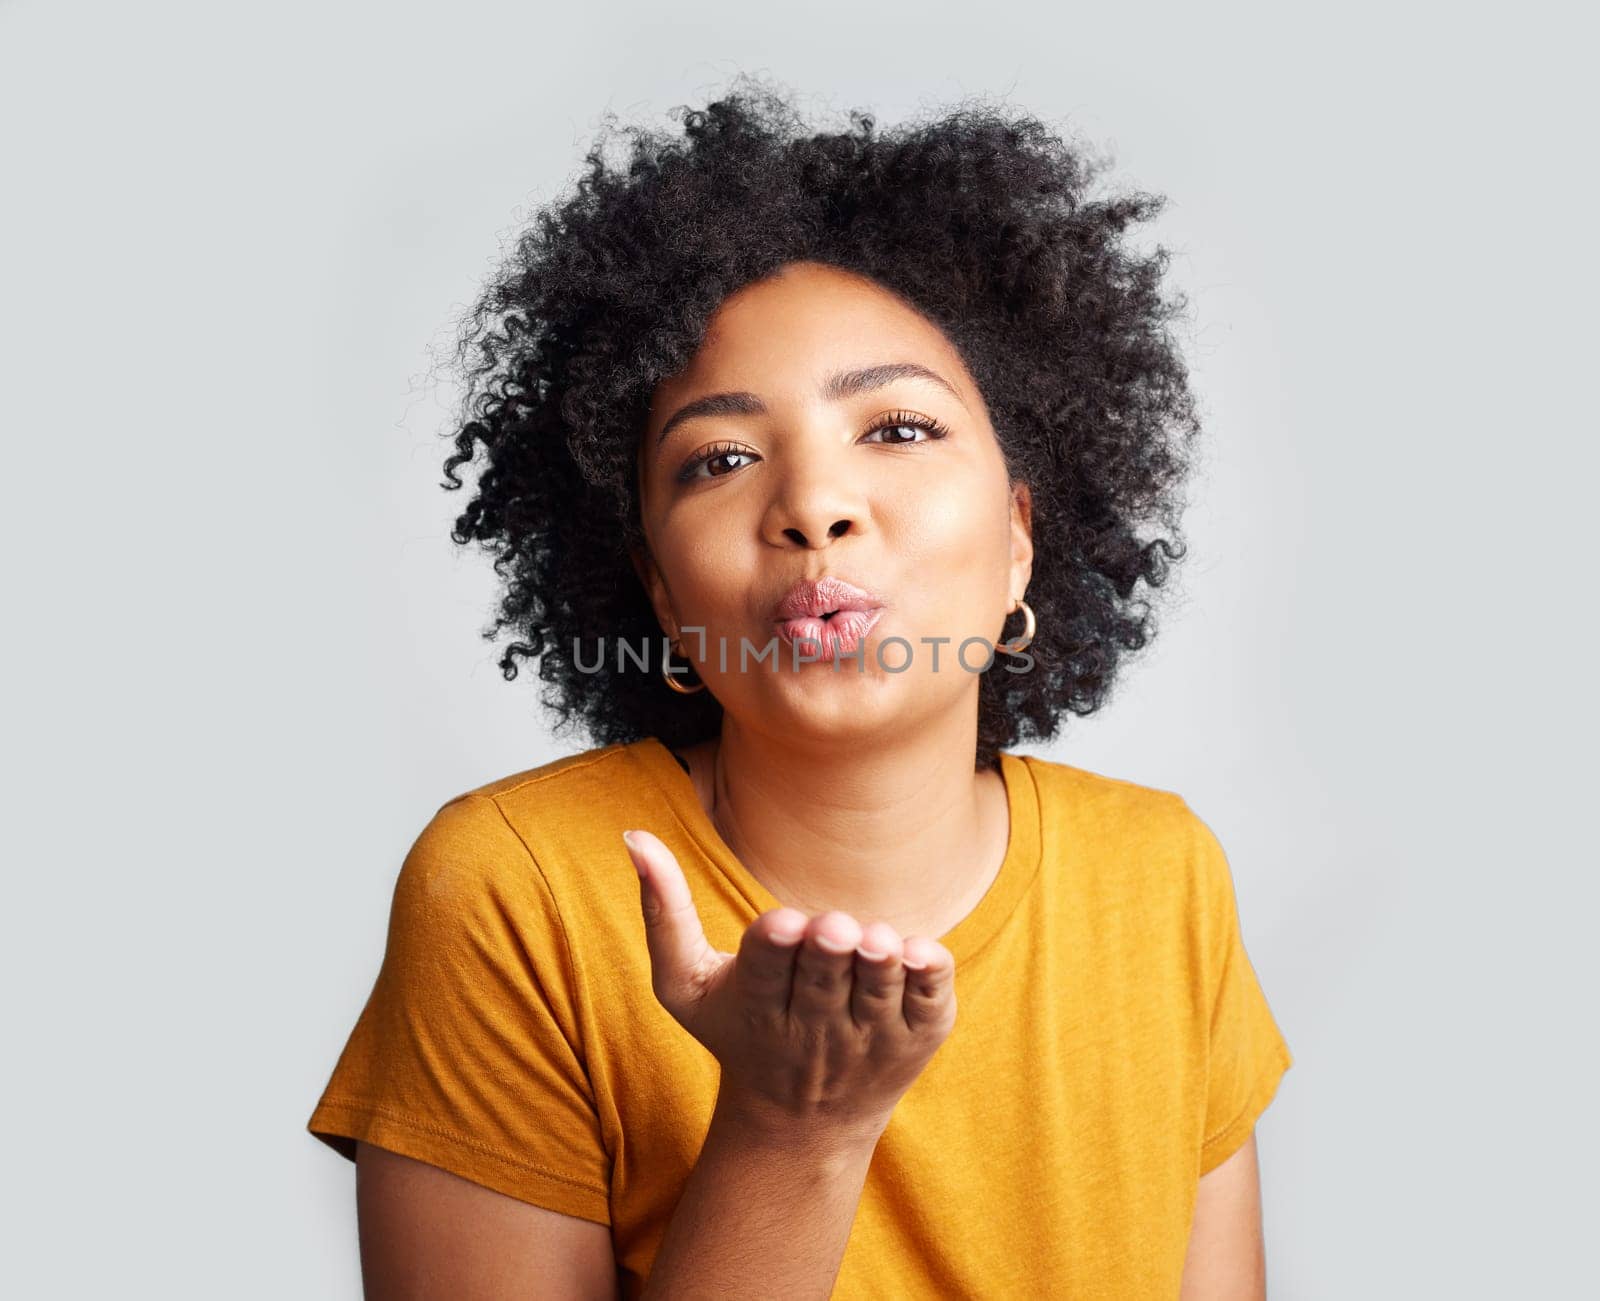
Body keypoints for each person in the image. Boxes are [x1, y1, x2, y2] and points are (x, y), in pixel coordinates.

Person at [306, 75, 1293, 1299]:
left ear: (1022, 538)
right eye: (719, 458)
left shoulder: (1160, 876)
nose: (814, 504)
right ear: (661, 594)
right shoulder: (519, 889)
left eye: (896, 429)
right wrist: (791, 1128)